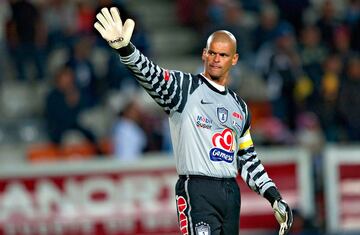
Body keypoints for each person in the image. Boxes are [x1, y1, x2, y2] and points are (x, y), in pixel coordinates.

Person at [94, 7, 293, 235]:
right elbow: (151, 74)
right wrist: (126, 49)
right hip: (197, 189)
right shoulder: (184, 87)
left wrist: (273, 196)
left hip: (230, 192)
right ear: (204, 54)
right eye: (212, 53)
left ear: (234, 59)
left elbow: (246, 158)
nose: (217, 59)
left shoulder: (240, 107)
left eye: (224, 55)